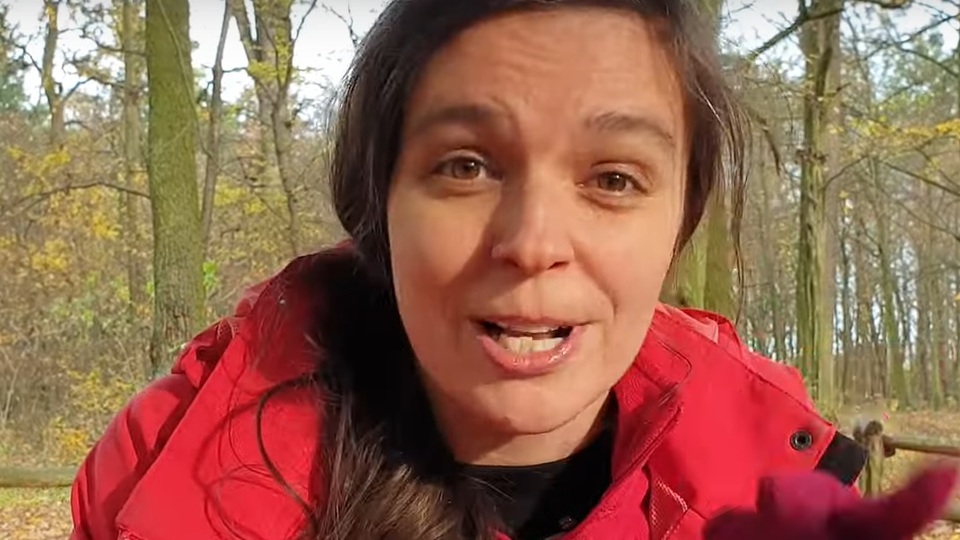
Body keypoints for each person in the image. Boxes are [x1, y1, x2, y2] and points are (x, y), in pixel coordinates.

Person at [70, 1, 957, 539]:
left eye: (613, 179)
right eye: (466, 165)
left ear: (678, 226)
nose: (533, 242)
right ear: (378, 203)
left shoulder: (781, 497)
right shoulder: (159, 477)